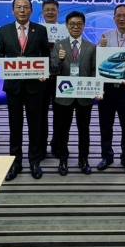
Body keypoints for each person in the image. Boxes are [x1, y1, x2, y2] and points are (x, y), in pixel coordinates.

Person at [0, 0, 50, 180]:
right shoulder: (4, 31)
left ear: (31, 10)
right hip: (14, 87)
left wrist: (44, 72)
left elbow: (46, 56)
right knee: (14, 126)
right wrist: (2, 60)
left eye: (26, 7)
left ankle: (34, 161)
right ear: (13, 10)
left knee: (35, 125)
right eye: (18, 7)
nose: (22, 10)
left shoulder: (40, 30)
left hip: (35, 87)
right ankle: (15, 162)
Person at [97, 4, 125, 173]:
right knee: (105, 125)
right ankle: (106, 156)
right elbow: (98, 62)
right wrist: (100, 47)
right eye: (118, 16)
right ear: (114, 18)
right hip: (107, 89)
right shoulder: (105, 37)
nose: (122, 19)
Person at [50, 12, 96, 175]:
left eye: (79, 24)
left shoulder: (91, 46)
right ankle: (63, 160)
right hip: (64, 96)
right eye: (72, 24)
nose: (75, 27)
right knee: (63, 130)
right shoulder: (59, 45)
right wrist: (59, 59)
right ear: (67, 26)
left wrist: (94, 89)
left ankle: (83, 160)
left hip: (84, 95)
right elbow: (53, 70)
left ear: (83, 26)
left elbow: (93, 72)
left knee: (84, 130)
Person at [41, 0, 60, 159]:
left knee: (60, 114)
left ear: (58, 12)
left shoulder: (65, 30)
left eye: (53, 9)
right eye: (47, 9)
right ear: (42, 12)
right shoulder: (37, 30)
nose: (50, 12)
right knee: (40, 114)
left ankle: (57, 145)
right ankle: (41, 147)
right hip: (41, 78)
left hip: (61, 77)